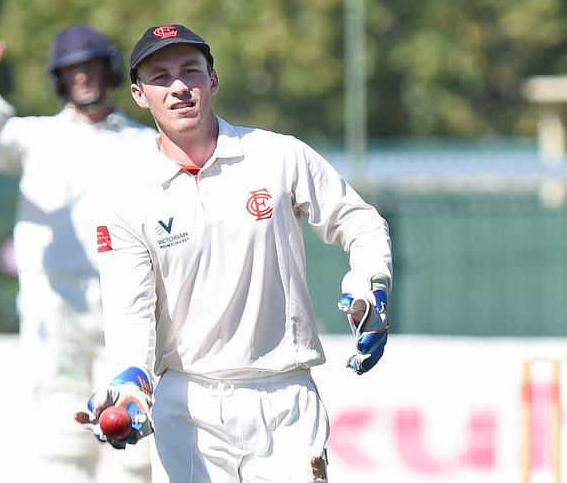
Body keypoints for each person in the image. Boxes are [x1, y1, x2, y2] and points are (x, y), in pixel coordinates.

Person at [81, 24, 392, 483]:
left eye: (191, 71)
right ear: (138, 94)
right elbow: (131, 311)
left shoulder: (277, 155)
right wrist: (130, 383)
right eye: (161, 77)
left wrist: (371, 282)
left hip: (284, 396)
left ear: (213, 80)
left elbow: (360, 221)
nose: (179, 87)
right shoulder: (126, 195)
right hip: (188, 407)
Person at [0, 26, 157, 483]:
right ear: (59, 80)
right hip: (54, 310)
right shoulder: (35, 138)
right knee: (63, 445)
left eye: (91, 66)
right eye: (72, 71)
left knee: (139, 446)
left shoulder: (144, 143)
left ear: (110, 70)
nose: (83, 78)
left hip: (130, 308)